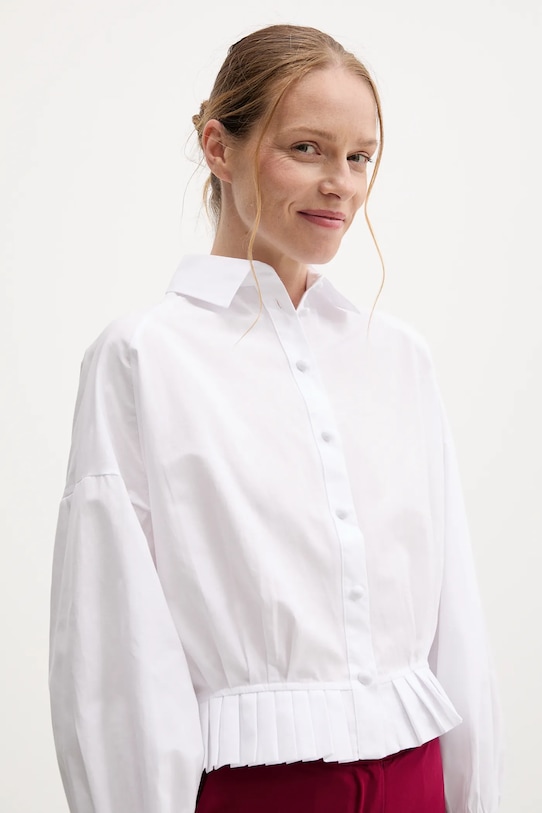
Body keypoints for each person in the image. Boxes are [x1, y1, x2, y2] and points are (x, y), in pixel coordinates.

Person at [49, 23, 502, 813]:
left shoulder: (398, 357)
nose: (340, 183)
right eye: (306, 148)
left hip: (416, 778)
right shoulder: (142, 358)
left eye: (359, 156)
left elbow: (452, 616)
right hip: (257, 789)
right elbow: (114, 643)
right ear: (218, 148)